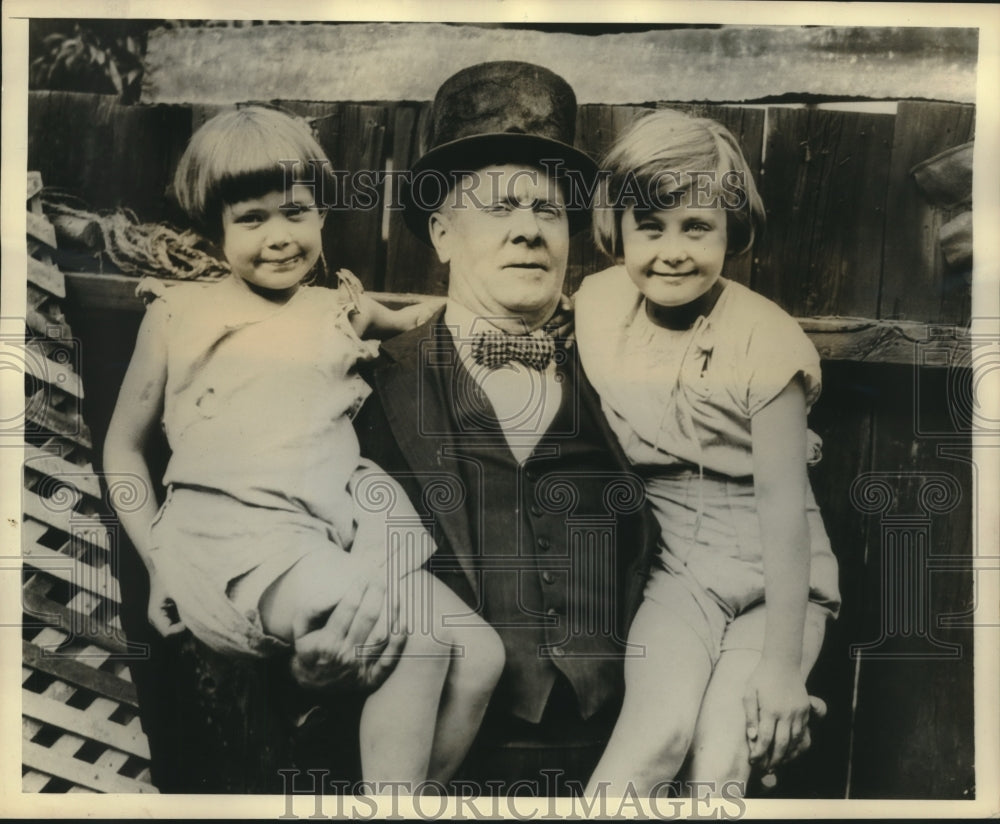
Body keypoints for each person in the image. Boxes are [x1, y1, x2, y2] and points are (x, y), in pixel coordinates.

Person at [103, 105, 504, 788]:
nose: (279, 237)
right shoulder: (178, 313)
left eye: (295, 212)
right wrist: (159, 562)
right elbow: (122, 451)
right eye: (251, 220)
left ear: (321, 212)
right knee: (416, 642)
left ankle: (402, 797)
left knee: (480, 655)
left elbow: (424, 315)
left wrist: (494, 312)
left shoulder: (340, 308)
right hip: (232, 540)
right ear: (217, 228)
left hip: (334, 532)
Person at [288, 61, 659, 792]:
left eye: (547, 210)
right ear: (442, 234)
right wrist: (306, 655)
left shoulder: (626, 376)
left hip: (609, 767)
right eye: (498, 207)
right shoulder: (361, 383)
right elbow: (280, 539)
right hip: (427, 766)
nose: (528, 230)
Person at [575, 109, 841, 797]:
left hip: (776, 578)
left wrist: (781, 671)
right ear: (617, 230)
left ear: (731, 230)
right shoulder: (598, 307)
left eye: (696, 227)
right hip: (680, 570)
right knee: (655, 736)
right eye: (650, 226)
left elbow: (782, 508)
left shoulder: (765, 341)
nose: (672, 250)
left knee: (722, 756)